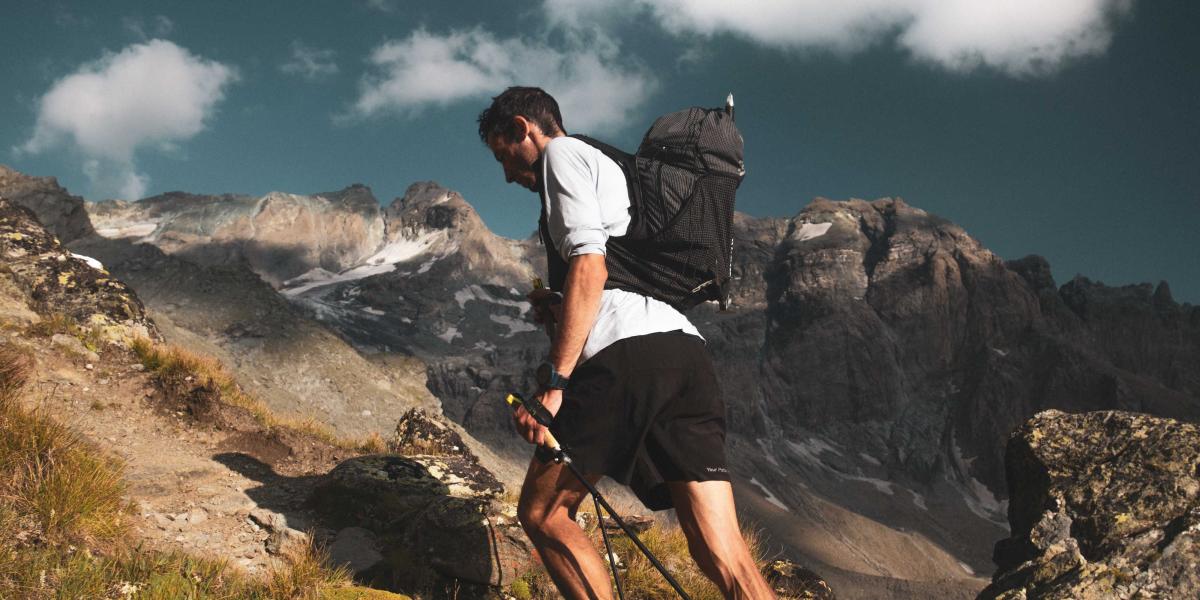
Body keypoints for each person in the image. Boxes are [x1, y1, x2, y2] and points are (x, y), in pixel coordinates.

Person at [478, 86, 776, 600]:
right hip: (683, 354)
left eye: (503, 155)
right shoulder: (611, 165)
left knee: (543, 512)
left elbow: (591, 266)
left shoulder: (562, 156)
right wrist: (560, 307)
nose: (506, 174)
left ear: (524, 128)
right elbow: (608, 270)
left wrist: (554, 386)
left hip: (628, 356)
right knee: (723, 552)